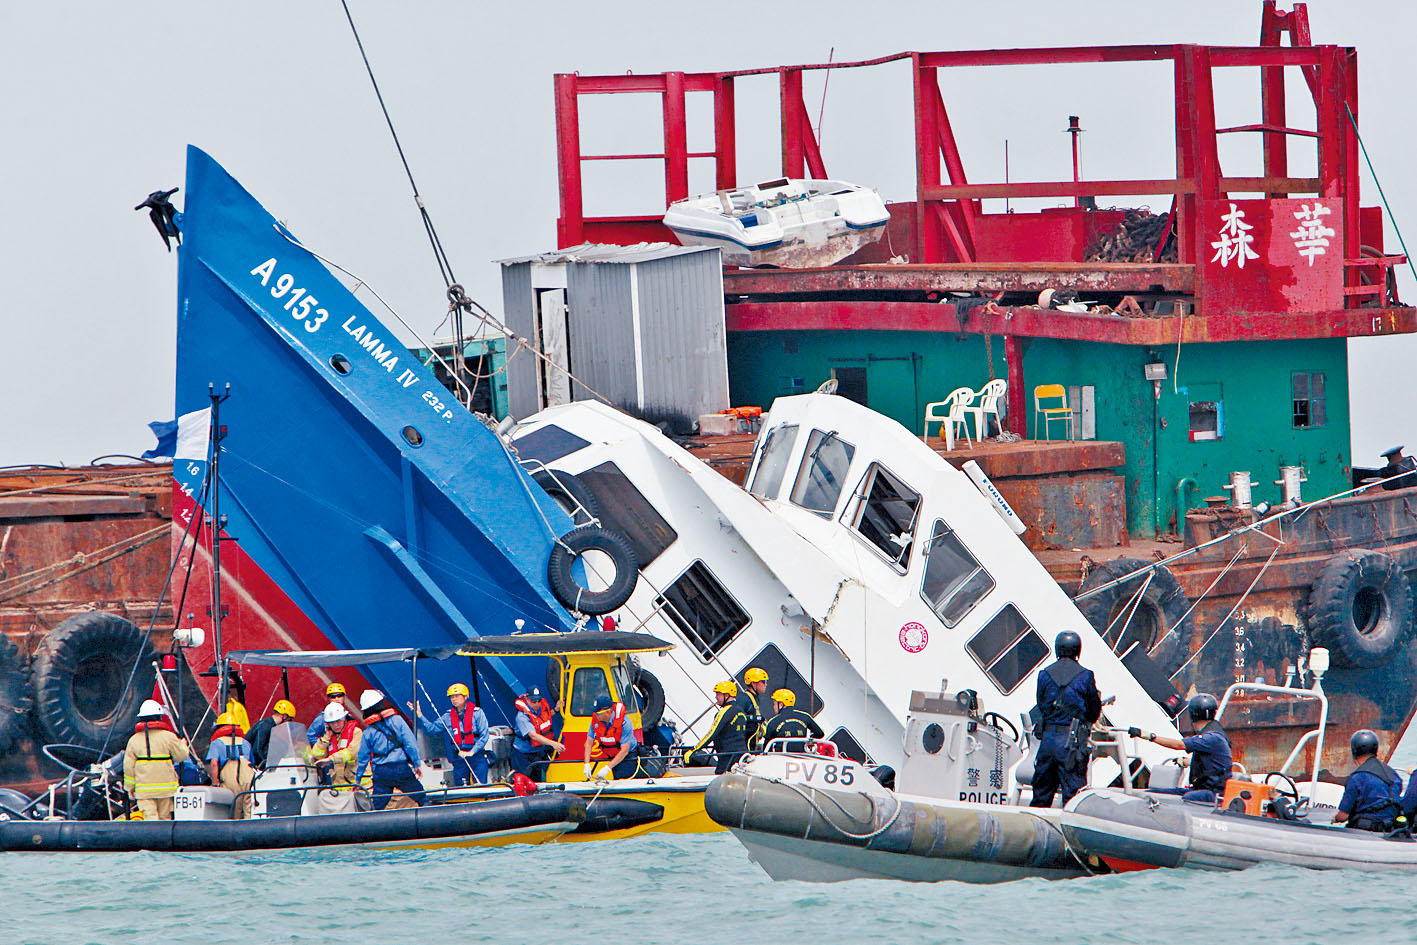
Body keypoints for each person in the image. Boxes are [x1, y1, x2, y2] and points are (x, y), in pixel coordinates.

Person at [1029, 631, 1102, 808]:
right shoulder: (1085, 675)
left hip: (1047, 742)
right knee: (1072, 797)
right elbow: (1094, 709)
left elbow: (1042, 705)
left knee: (1041, 794)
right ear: (1078, 650)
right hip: (1071, 744)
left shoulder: (1044, 674)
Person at [1130, 692, 1232, 804]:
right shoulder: (1216, 736)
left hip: (1213, 792)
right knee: (1156, 792)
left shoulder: (1210, 737)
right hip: (1206, 789)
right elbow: (1214, 764)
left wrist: (1149, 736)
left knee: (1188, 797)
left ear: (1193, 715)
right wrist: (1189, 762)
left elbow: (1178, 745)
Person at [354, 690, 426, 810]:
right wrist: (416, 764)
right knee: (422, 798)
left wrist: (357, 780)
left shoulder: (368, 732)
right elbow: (410, 744)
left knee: (377, 807)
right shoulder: (397, 720)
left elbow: (363, 758)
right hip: (401, 769)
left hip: (381, 773)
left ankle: (373, 826)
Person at [408, 683, 491, 786]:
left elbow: (484, 736)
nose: (454, 699)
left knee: (480, 784)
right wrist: (419, 714)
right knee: (460, 784)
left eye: (457, 696)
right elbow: (432, 729)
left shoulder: (477, 713)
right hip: (459, 756)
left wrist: (472, 752)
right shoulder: (448, 716)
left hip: (476, 755)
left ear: (465, 697)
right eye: (452, 697)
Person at [122, 699, 190, 821]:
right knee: (165, 819)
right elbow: (181, 756)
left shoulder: (134, 740)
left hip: (144, 791)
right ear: (159, 717)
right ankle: (165, 840)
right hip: (166, 789)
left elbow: (128, 768)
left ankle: (152, 840)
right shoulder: (168, 736)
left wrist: (129, 788)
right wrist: (183, 744)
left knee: (150, 820)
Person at [1335, 729, 1403, 831]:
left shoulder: (1356, 778)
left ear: (1354, 751)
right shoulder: (1393, 774)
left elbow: (1343, 816)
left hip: (1366, 829)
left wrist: (1335, 818)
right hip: (1390, 829)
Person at [683, 680, 751, 775]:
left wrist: (693, 750)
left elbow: (711, 733)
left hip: (727, 759)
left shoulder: (724, 712)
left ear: (726, 695)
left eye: (718, 694)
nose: (716, 697)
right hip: (742, 756)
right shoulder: (740, 710)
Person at [205, 711, 255, 819]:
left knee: (234, 811)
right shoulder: (245, 742)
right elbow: (251, 763)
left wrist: (215, 783)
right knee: (249, 810)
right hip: (248, 778)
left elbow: (214, 764)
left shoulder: (217, 743)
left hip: (230, 780)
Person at [583, 695, 644, 780]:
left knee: (623, 781)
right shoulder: (595, 722)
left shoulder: (625, 723)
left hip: (628, 758)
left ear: (608, 712)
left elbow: (625, 750)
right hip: (612, 756)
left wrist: (607, 768)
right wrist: (587, 764)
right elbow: (589, 743)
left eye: (598, 713)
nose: (595, 715)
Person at [511, 686, 564, 781]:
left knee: (537, 781)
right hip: (523, 754)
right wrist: (553, 744)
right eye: (533, 701)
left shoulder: (540, 709)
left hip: (537, 752)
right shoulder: (522, 716)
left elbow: (544, 718)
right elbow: (532, 735)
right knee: (523, 782)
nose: (536, 704)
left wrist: (556, 709)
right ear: (527, 699)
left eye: (539, 701)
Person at [309, 702, 363, 791]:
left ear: (344, 719)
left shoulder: (356, 732)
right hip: (338, 788)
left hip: (356, 786)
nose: (336, 725)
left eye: (338, 721)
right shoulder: (329, 737)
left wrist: (331, 759)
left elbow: (352, 752)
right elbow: (317, 754)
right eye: (332, 723)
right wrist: (326, 737)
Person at [244, 699, 297, 769]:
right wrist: (267, 766)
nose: (288, 722)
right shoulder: (265, 726)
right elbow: (257, 749)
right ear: (284, 716)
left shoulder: (271, 726)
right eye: (289, 719)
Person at [738, 667, 769, 748]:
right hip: (744, 745)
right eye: (763, 682)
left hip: (752, 743)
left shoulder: (755, 698)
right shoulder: (744, 699)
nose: (766, 684)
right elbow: (737, 719)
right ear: (753, 683)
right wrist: (754, 718)